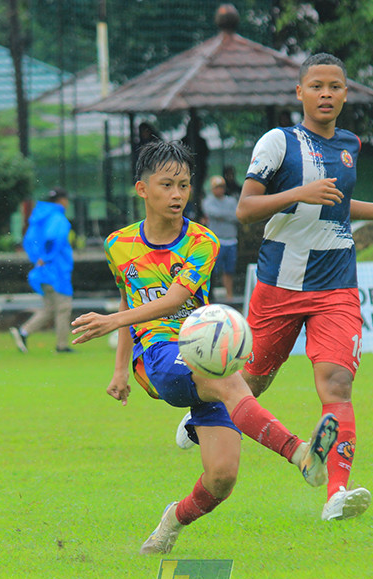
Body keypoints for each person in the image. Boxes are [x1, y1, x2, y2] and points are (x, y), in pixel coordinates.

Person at [70, 141, 339, 555]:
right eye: (166, 185)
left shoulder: (202, 241)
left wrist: (111, 321)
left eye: (184, 185)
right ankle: (301, 455)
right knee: (233, 384)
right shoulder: (118, 245)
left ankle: (171, 522)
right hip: (160, 356)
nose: (177, 194)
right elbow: (131, 298)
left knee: (222, 478)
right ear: (142, 189)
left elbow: (176, 299)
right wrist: (121, 369)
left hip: (202, 352)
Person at [234, 53, 373, 521]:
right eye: (316, 86)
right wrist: (296, 193)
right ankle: (203, 417)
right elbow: (246, 208)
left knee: (336, 382)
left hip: (336, 283)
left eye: (335, 86)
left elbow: (336, 203)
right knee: (252, 381)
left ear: (346, 93)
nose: (326, 94)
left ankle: (336, 492)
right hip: (280, 282)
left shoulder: (351, 143)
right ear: (300, 93)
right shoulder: (279, 142)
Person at [10, 187, 75, 354]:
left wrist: (37, 258)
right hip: (56, 271)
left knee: (49, 308)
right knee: (63, 308)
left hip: (43, 271)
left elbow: (29, 240)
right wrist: (46, 257)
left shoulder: (39, 217)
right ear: (62, 200)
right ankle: (62, 346)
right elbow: (54, 238)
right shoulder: (57, 218)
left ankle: (23, 331)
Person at [200, 175, 239, 301]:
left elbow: (237, 216)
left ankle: (229, 296)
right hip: (216, 241)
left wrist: (223, 216)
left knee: (229, 271)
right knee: (213, 271)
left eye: (221, 187)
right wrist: (228, 215)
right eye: (217, 187)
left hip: (231, 240)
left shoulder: (231, 201)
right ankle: (211, 296)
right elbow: (213, 213)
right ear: (212, 189)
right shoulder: (208, 201)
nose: (219, 189)